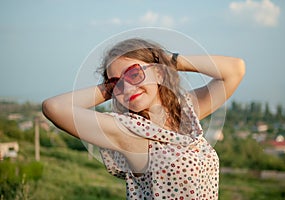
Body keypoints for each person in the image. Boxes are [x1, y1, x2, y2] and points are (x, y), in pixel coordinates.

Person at [42, 38, 245, 199]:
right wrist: (109, 89)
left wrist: (170, 61)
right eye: (116, 83)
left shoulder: (183, 110)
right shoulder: (130, 131)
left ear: (158, 73)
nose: (127, 88)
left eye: (134, 74)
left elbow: (235, 70)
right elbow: (54, 108)